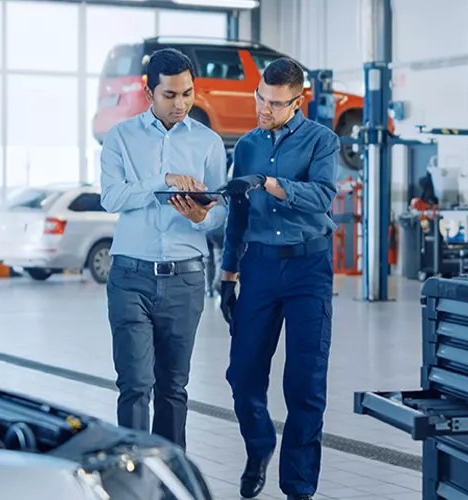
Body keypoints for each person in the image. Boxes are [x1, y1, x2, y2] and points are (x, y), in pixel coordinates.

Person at [218, 57, 338, 500]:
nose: (264, 109)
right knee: (243, 374)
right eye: (260, 98)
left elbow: (324, 197)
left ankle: (299, 487)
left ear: (298, 100)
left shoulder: (321, 141)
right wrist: (227, 275)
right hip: (260, 267)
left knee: (305, 382)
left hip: (309, 268)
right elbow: (237, 215)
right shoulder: (246, 146)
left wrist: (270, 182)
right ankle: (259, 445)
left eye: (275, 103)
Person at [99, 47, 228, 449]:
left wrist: (200, 219)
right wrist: (164, 179)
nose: (180, 104)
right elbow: (112, 198)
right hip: (130, 277)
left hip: (186, 277)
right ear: (147, 90)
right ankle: (133, 477)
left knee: (173, 387)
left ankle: (169, 478)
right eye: (170, 95)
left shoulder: (209, 142)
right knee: (135, 385)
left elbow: (220, 210)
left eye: (187, 93)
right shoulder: (120, 137)